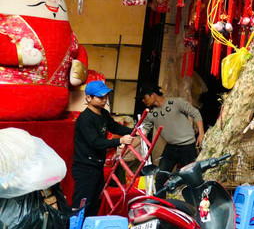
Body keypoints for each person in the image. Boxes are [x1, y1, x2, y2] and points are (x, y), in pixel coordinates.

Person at [71, 80, 133, 216]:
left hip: (97, 166)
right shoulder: (85, 119)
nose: (104, 100)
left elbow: (115, 127)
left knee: (94, 204)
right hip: (84, 168)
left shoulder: (103, 114)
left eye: (106, 96)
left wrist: (134, 131)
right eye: (100, 97)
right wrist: (120, 141)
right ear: (88, 98)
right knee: (81, 205)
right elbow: (95, 142)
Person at [139, 87, 203, 174]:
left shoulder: (176, 102)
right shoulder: (150, 113)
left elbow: (195, 113)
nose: (143, 100)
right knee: (161, 176)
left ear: (153, 95)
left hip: (187, 146)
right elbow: (143, 132)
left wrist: (201, 134)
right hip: (170, 147)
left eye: (144, 97)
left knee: (191, 176)